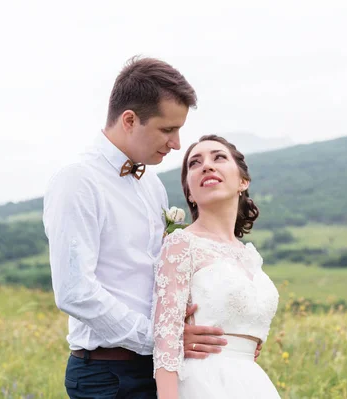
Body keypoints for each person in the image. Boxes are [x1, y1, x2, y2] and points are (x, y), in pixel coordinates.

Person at [43, 56, 228, 398]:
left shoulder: (152, 185)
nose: (176, 143)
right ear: (129, 119)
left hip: (159, 365)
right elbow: (74, 291)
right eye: (167, 129)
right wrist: (160, 336)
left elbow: (160, 277)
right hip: (108, 373)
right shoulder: (78, 181)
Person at [152, 135, 281, 398]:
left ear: (243, 181)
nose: (207, 166)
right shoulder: (181, 244)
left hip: (252, 384)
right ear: (189, 191)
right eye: (195, 163)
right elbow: (165, 343)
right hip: (203, 383)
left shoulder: (249, 256)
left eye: (218, 157)